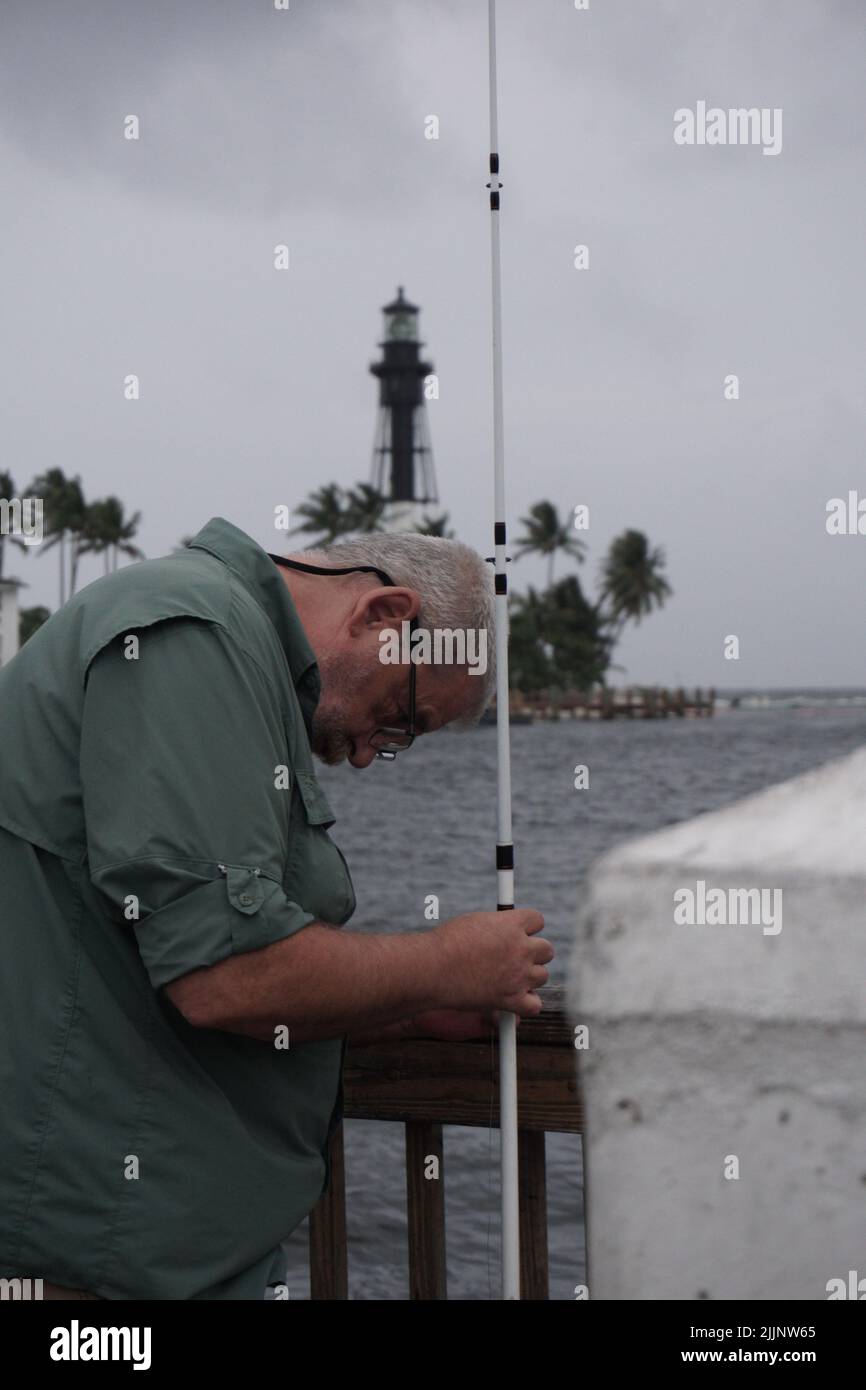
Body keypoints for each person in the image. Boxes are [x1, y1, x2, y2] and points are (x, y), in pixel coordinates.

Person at [0, 516, 552, 1300]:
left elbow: (140, 949)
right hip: (111, 1252)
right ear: (385, 617)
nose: (370, 753)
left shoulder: (221, 640)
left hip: (149, 1242)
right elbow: (226, 975)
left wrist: (410, 1001)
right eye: (404, 717)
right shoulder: (191, 633)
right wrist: (450, 961)